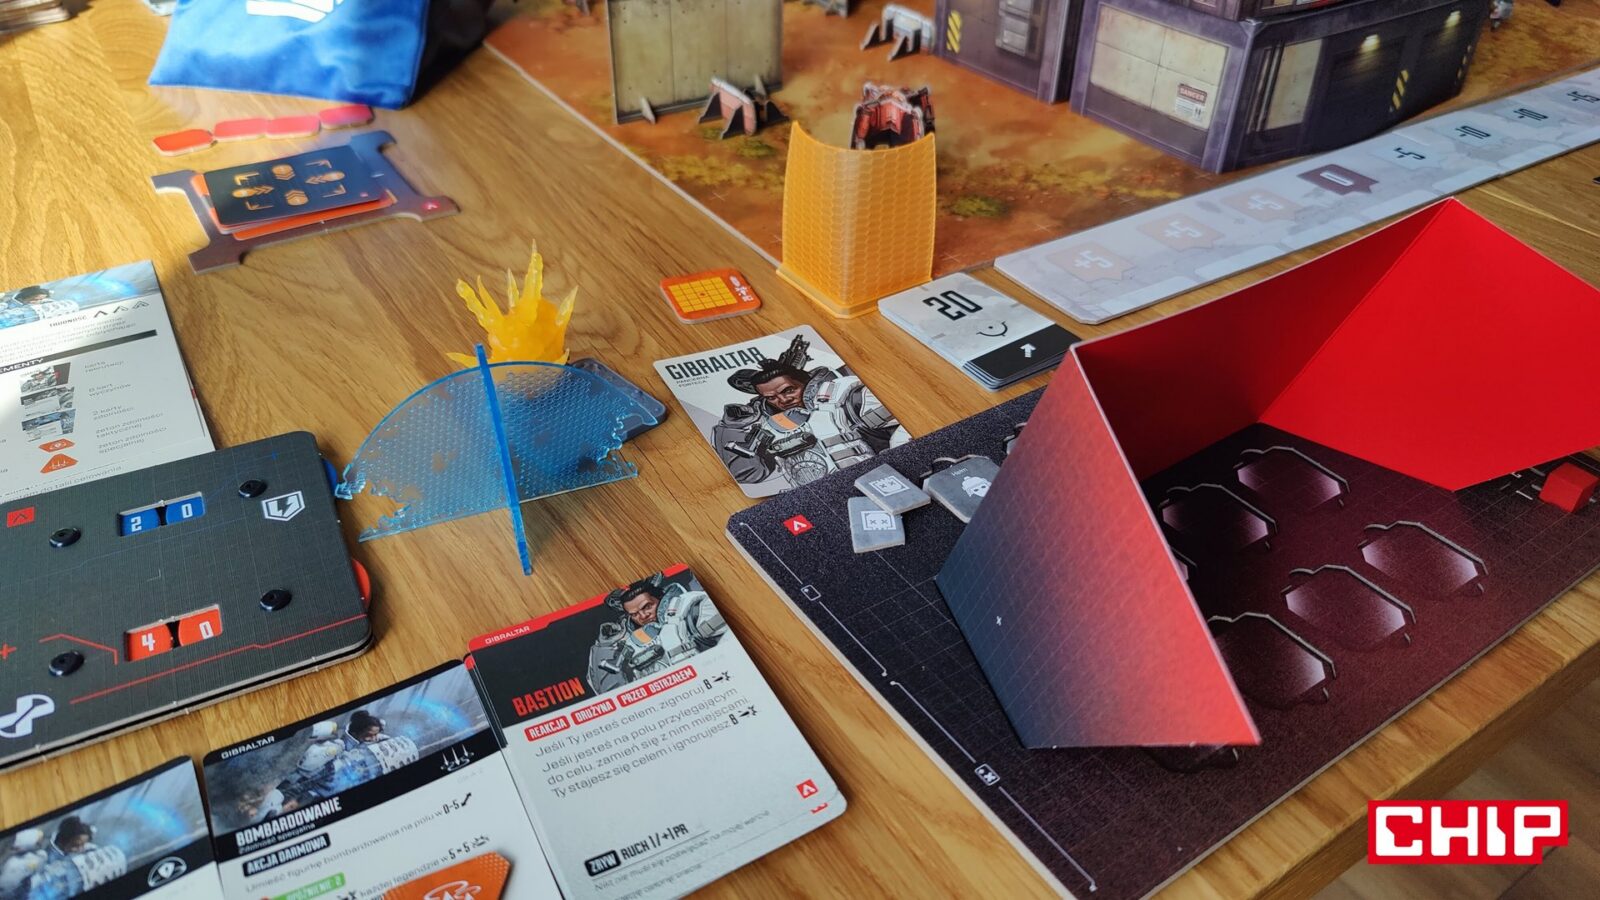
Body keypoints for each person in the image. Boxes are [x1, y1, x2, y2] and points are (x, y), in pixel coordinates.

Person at [714, 334, 906, 490]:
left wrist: (900, 462)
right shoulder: (767, 425)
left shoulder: (847, 398)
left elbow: (907, 422)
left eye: (789, 390)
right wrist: (732, 427)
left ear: (806, 382)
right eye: (771, 397)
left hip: (878, 483)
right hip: (817, 498)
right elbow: (746, 474)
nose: (783, 400)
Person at [587, 574, 726, 693]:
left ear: (660, 598)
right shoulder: (628, 644)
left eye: (647, 606)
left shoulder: (692, 608)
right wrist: (604, 647)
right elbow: (608, 691)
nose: (643, 616)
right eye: (634, 614)